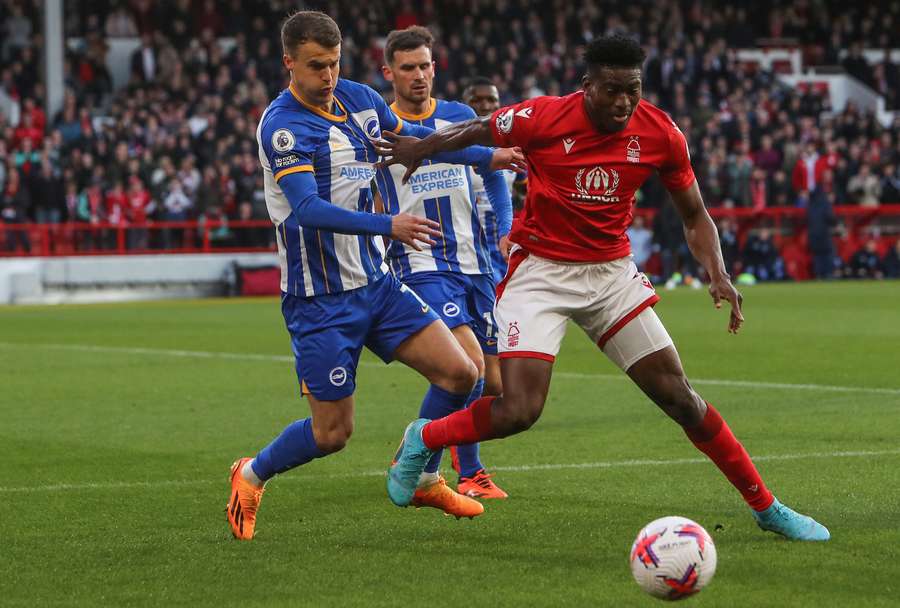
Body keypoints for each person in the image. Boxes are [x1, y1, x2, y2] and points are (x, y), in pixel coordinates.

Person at [378, 34, 829, 541]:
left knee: (681, 399)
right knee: (518, 411)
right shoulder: (543, 117)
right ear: (586, 85)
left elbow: (695, 215)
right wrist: (421, 145)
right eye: (612, 90)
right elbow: (479, 127)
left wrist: (718, 272)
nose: (623, 101)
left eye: (632, 90)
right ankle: (425, 436)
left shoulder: (661, 133)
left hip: (611, 274)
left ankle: (766, 506)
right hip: (541, 274)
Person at [226, 11, 523, 540]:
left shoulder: (361, 101)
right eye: (316, 66)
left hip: (379, 285)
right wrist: (389, 223)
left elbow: (420, 138)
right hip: (320, 300)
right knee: (332, 433)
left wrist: (489, 155)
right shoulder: (284, 126)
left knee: (462, 374)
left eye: (335, 63)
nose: (328, 76)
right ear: (288, 62)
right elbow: (307, 208)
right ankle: (251, 474)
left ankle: (421, 472)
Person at [378, 27, 511, 499]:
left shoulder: (458, 115)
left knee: (494, 382)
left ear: (436, 67)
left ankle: (433, 457)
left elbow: (492, 170)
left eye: (425, 66)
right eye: (408, 67)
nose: (418, 76)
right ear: (388, 72)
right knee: (467, 366)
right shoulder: (379, 124)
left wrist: (505, 226)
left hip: (475, 263)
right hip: (420, 264)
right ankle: (452, 471)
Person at [462, 76, 528, 285]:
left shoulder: (514, 150)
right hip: (465, 249)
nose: (485, 105)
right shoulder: (450, 150)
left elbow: (527, 194)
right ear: (464, 104)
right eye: (477, 100)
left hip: (501, 248)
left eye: (491, 99)